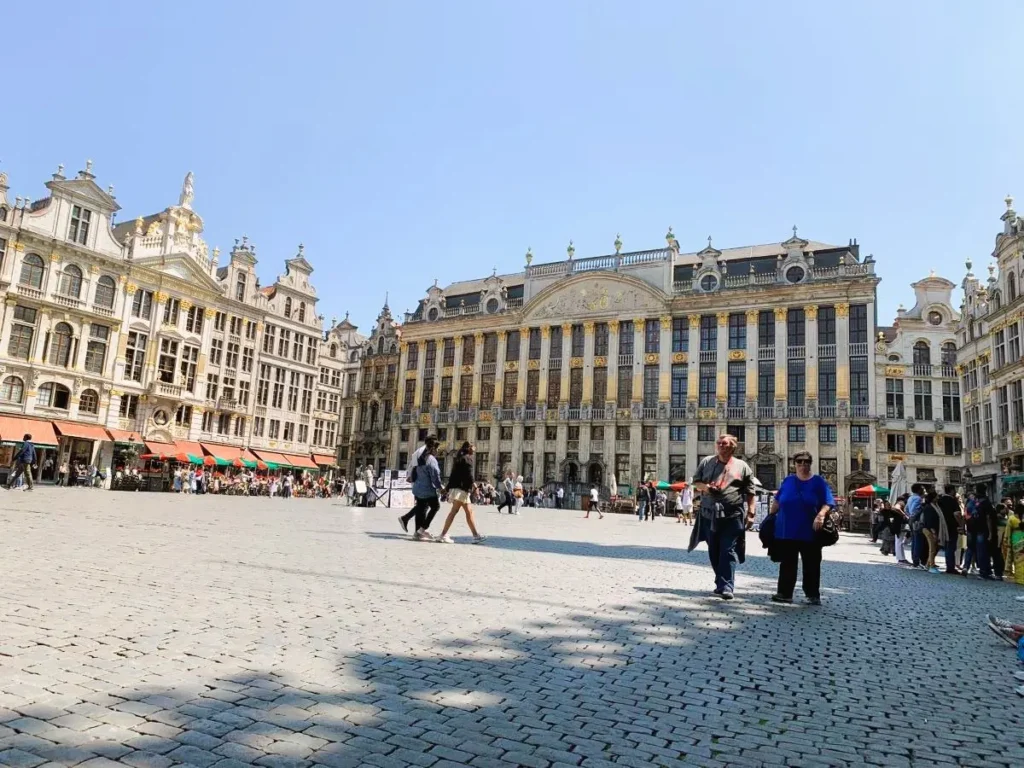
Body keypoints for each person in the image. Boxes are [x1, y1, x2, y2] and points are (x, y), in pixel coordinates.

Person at [688, 434, 756, 600]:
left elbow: (750, 491)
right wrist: (707, 488)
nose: (721, 446)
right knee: (714, 550)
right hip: (708, 514)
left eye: (724, 444)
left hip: (733, 514)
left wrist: (751, 513)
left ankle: (726, 586)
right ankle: (721, 581)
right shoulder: (707, 462)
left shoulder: (742, 466)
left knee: (728, 549)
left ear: (733, 446)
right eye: (718, 443)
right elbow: (696, 482)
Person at [769, 451, 835, 605]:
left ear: (810, 464)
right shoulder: (788, 481)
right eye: (799, 462)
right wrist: (770, 517)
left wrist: (821, 515)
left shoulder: (818, 482)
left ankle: (812, 594)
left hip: (810, 530)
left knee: (811, 563)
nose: (803, 465)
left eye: (806, 462)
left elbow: (829, 502)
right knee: (787, 563)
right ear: (794, 464)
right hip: (787, 530)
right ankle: (785, 593)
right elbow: (777, 501)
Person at [436, 442, 486, 544]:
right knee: (455, 512)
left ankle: (476, 535)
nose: (474, 449)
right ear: (469, 448)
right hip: (462, 489)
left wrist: (447, 488)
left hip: (458, 489)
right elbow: (469, 475)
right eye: (473, 447)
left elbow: (453, 475)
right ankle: (443, 535)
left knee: (467, 512)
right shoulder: (467, 459)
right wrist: (475, 486)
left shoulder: (459, 458)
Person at [398, 436, 439, 532]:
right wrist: (411, 476)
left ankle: (412, 525)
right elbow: (415, 466)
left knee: (422, 506)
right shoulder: (423, 452)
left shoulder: (421, 451)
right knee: (424, 507)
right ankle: (418, 529)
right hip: (421, 482)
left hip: (418, 482)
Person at [409, 441, 442, 540]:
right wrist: (440, 487)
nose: (438, 451)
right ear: (433, 449)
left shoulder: (420, 458)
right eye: (437, 449)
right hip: (427, 489)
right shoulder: (432, 460)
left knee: (421, 509)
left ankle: (418, 532)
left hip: (418, 488)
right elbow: (435, 476)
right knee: (435, 506)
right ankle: (422, 529)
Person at [937, 484, 962, 574]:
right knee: (951, 547)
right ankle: (950, 567)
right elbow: (957, 514)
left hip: (942, 526)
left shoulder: (940, 500)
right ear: (951, 490)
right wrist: (961, 525)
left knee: (947, 546)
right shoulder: (952, 501)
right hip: (952, 526)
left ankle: (949, 565)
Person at [920, 490, 942, 573]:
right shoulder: (929, 507)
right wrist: (934, 533)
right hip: (929, 530)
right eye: (936, 497)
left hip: (930, 529)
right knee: (932, 548)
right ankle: (931, 566)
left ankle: (928, 565)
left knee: (934, 547)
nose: (938, 498)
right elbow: (930, 521)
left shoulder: (934, 506)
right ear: (933, 498)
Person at [905, 484, 926, 569]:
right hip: (916, 521)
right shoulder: (918, 499)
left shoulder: (910, 498)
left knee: (914, 540)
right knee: (918, 541)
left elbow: (906, 509)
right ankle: (916, 561)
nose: (924, 491)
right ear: (919, 490)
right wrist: (922, 508)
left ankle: (915, 560)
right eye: (923, 489)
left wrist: (909, 516)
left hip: (911, 520)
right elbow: (915, 510)